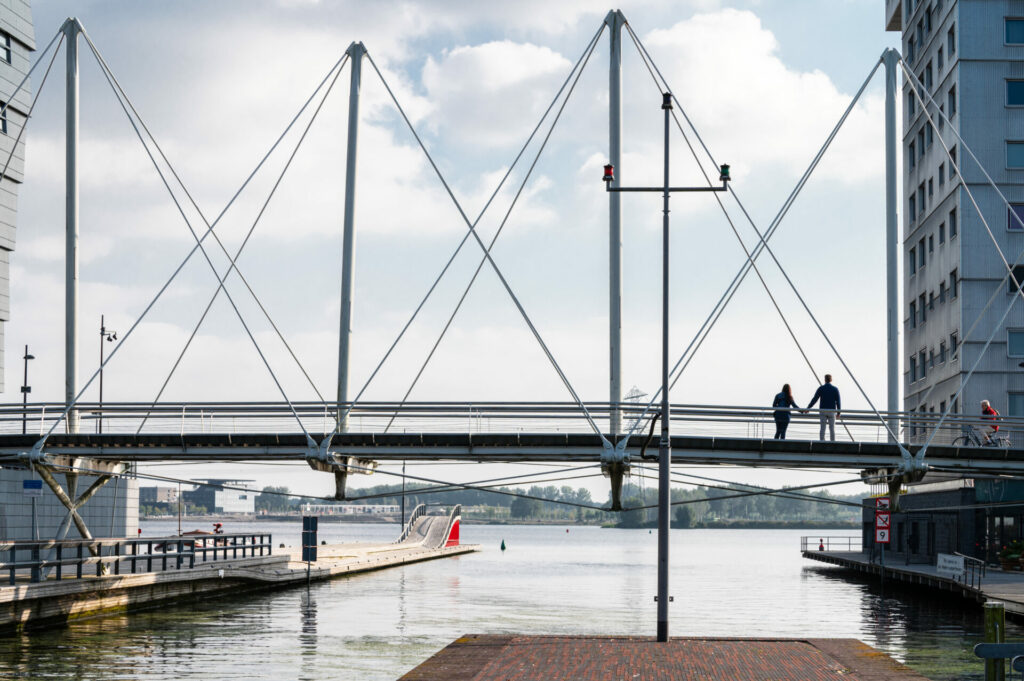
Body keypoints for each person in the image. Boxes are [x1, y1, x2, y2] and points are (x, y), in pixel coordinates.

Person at [806, 374, 841, 442]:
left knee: (822, 428)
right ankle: (832, 442)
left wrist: (808, 408)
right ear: (831, 380)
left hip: (823, 410)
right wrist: (838, 412)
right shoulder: (835, 389)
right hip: (832, 411)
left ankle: (822, 442)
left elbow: (815, 399)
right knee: (832, 428)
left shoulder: (821, 388)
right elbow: (838, 402)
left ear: (825, 380)